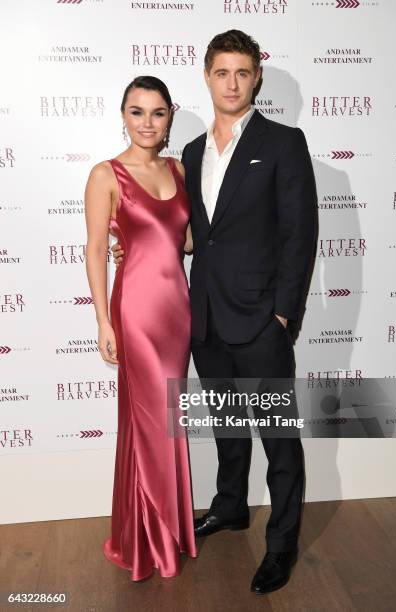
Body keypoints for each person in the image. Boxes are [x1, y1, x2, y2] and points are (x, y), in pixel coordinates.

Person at [112, 30, 317, 593]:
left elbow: (300, 235)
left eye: (242, 73)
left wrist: (283, 315)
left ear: (256, 78)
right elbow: (190, 234)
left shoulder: (284, 142)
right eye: (221, 72)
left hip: (259, 320)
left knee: (277, 435)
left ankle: (281, 545)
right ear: (206, 76)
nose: (231, 83)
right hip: (201, 317)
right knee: (228, 427)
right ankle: (229, 507)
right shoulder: (192, 155)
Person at [84, 75, 197, 582]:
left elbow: (187, 240)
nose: (147, 123)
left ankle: (154, 530)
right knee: (150, 423)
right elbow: (93, 250)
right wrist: (104, 321)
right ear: (122, 115)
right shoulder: (106, 174)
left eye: (156, 112)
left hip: (177, 309)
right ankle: (152, 541)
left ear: (169, 115)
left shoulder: (179, 170)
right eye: (137, 112)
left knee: (162, 422)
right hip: (135, 311)